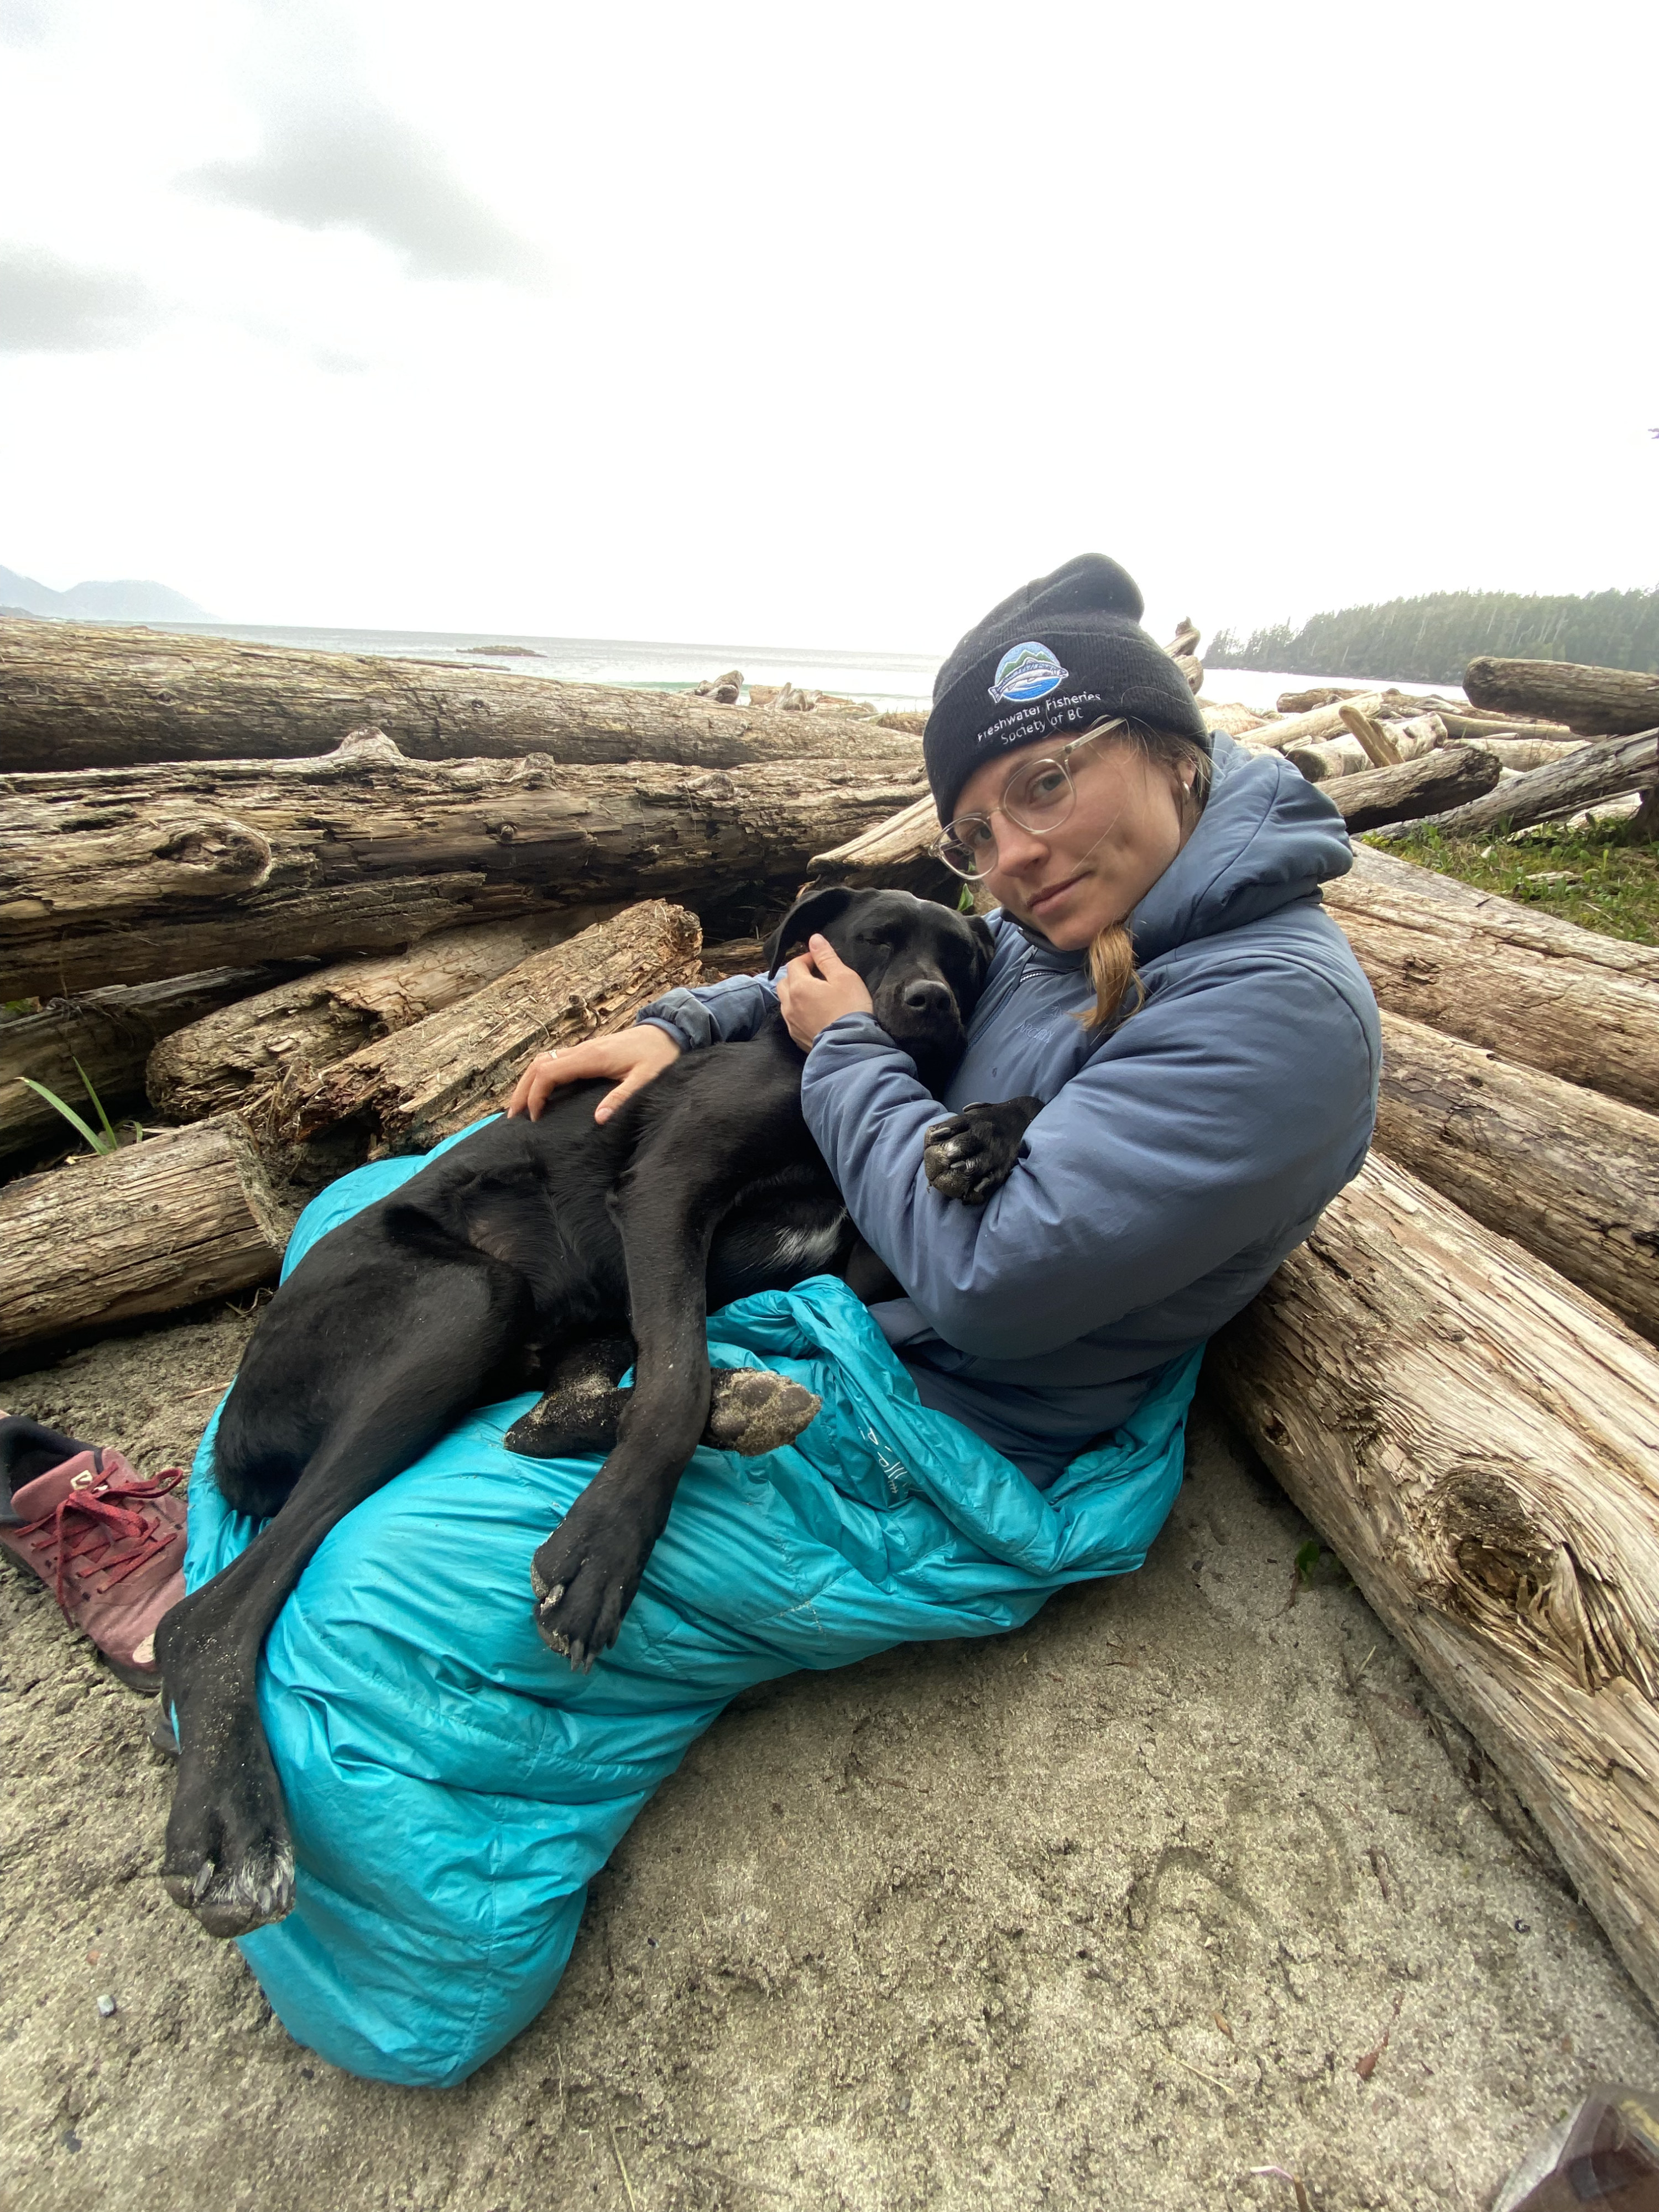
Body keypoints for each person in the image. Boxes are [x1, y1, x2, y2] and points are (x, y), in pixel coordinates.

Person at [509, 550, 1381, 1487]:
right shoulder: (1058, 929)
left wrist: (843, 1047)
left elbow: (989, 1281)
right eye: (976, 835)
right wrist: (678, 1025)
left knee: (415, 1556)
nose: (1016, 858)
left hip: (931, 1425)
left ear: (1177, 756)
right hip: (823, 1314)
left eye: (1045, 784)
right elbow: (869, 973)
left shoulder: (1278, 1013)